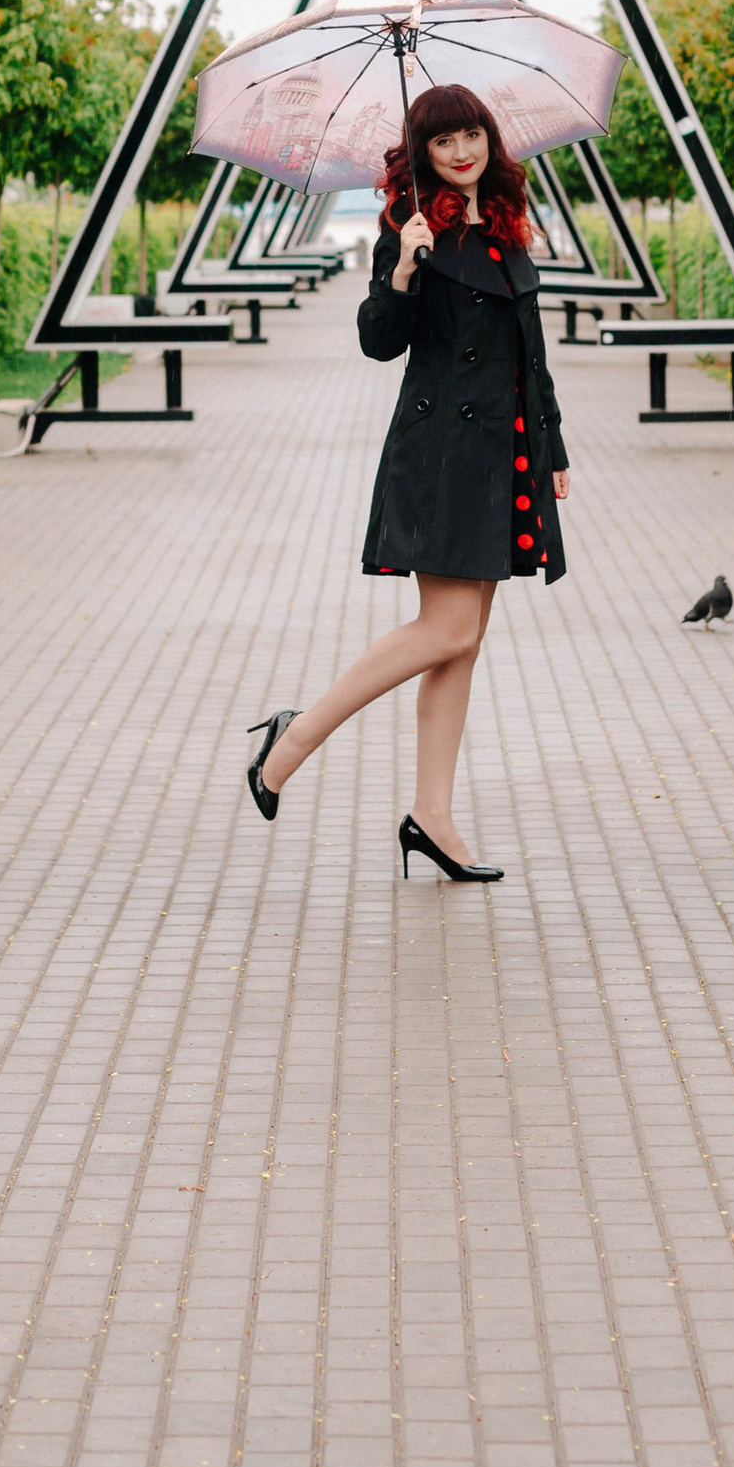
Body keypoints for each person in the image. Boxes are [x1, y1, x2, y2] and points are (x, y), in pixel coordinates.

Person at [243, 82, 570, 881]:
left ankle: (431, 816)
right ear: (420, 154)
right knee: (448, 631)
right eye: (442, 141)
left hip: (508, 451)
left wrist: (553, 447)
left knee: (462, 645)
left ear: (489, 138)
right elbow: (378, 344)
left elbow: (532, 353)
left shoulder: (504, 225)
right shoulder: (412, 229)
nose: (461, 151)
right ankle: (293, 736)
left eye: (471, 135)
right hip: (444, 456)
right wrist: (401, 271)